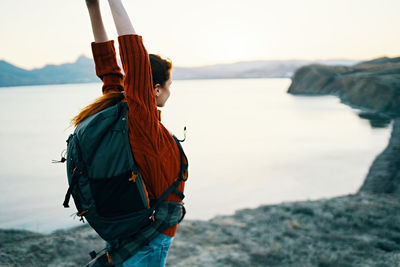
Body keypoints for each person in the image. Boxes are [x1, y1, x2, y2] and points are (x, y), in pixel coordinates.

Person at [74, 0, 187, 266]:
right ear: (156, 89)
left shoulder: (120, 106)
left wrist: (93, 8)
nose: (171, 91)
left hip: (130, 230)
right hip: (150, 238)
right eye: (170, 85)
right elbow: (133, 57)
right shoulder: (143, 124)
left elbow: (107, 66)